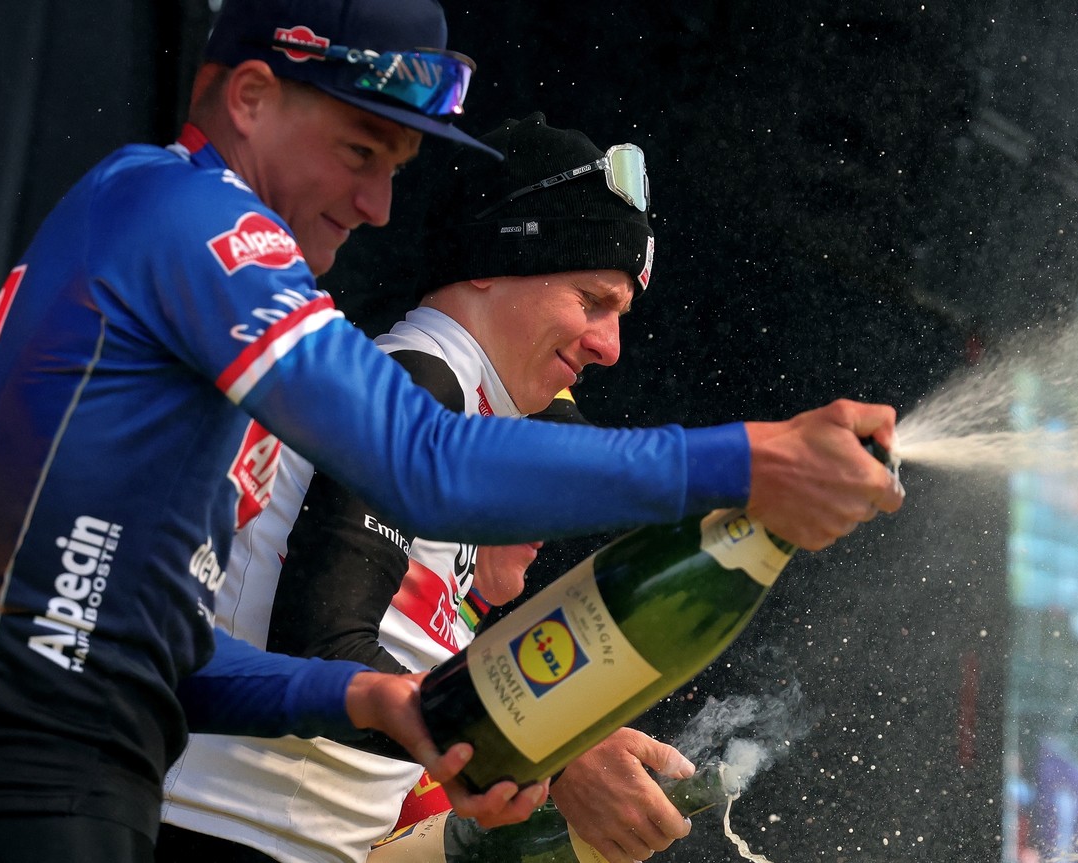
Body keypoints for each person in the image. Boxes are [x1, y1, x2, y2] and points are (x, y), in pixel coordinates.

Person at [0, 0, 904, 860]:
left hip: (56, 792)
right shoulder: (185, 214)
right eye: (361, 149)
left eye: (397, 163)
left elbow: (163, 656)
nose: (379, 204)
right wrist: (745, 458)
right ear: (251, 97)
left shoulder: (164, 259)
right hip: (16, 795)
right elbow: (424, 463)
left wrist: (377, 698)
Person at [157, 114, 697, 863]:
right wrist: (554, 753)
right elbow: (325, 650)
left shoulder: (453, 406)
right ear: (494, 259)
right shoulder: (414, 383)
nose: (610, 345)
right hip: (212, 833)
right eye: (591, 300)